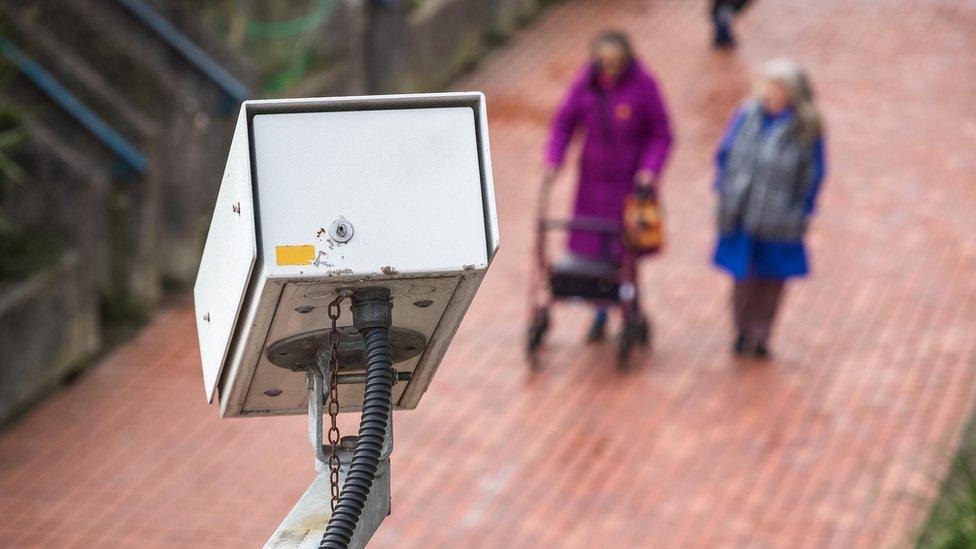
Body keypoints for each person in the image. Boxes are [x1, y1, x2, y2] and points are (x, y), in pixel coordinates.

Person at [544, 30, 673, 342]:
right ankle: (601, 312)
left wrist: (649, 171)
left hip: (630, 187)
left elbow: (662, 133)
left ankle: (628, 307)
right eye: (604, 62)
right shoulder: (585, 84)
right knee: (595, 251)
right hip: (592, 186)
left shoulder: (644, 86)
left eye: (616, 63)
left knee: (624, 253)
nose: (609, 68)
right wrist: (554, 159)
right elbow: (564, 122)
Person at [713, 58, 826, 358]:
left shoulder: (805, 129)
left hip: (780, 218)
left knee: (772, 281)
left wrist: (802, 210)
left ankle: (761, 334)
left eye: (778, 89)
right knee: (743, 279)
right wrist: (724, 190)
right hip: (743, 214)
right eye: (768, 87)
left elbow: (812, 174)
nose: (771, 94)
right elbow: (725, 154)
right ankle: (741, 329)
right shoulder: (746, 116)